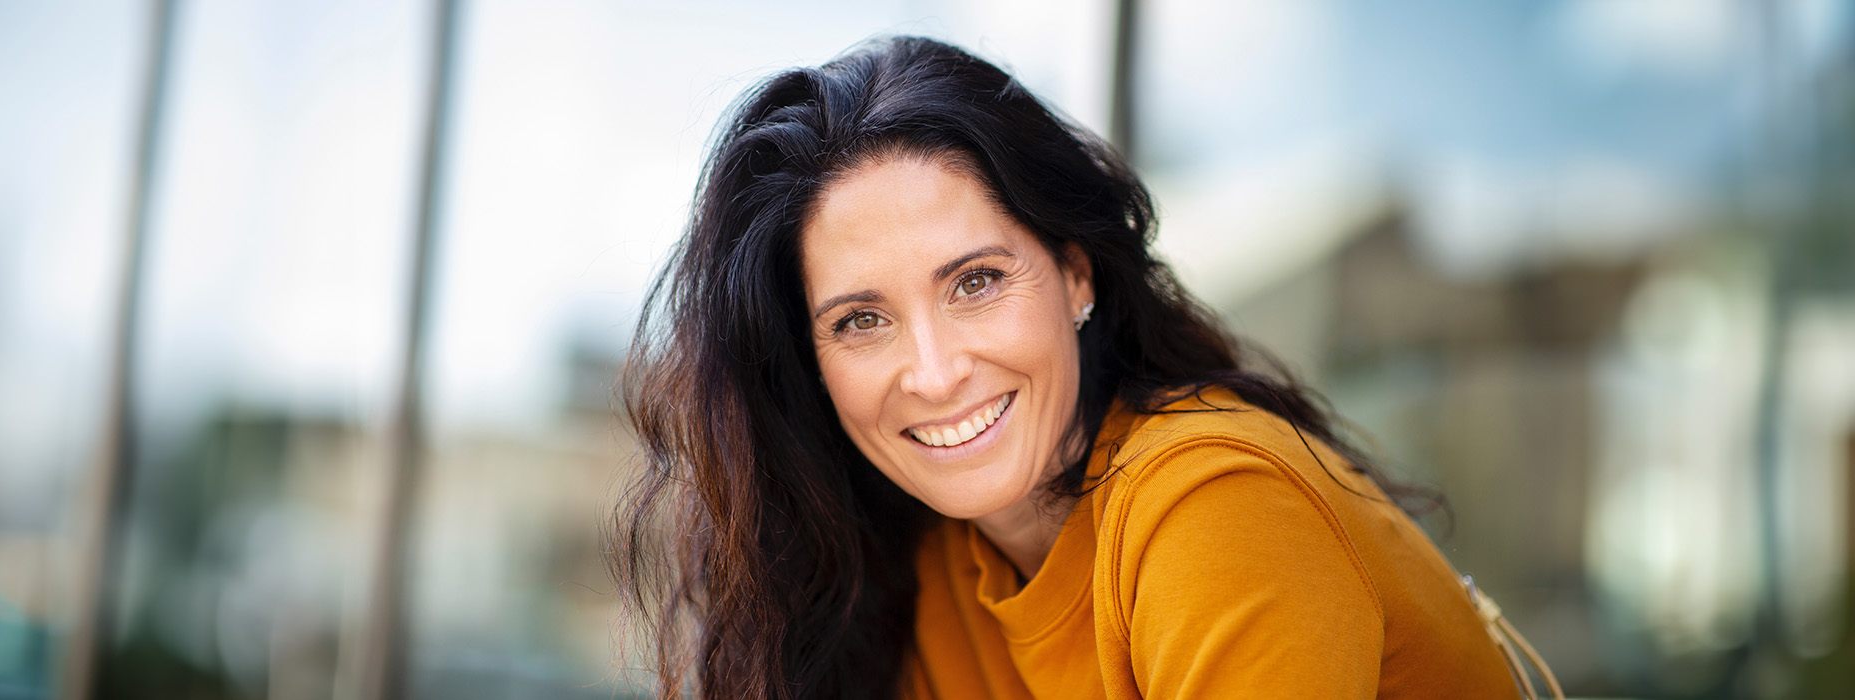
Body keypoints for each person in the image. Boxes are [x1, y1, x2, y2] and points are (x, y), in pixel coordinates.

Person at [615, 36, 1551, 699]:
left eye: (976, 282)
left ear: (1074, 274)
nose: (935, 372)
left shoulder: (1215, 508)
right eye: (862, 320)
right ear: (809, 363)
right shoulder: (928, 568)